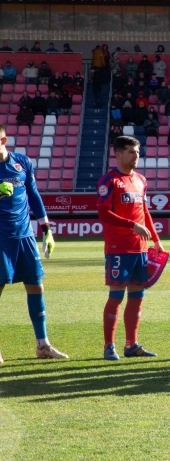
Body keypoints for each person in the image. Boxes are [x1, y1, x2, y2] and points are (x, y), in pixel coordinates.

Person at [0, 123, 67, 363]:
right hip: (1, 237)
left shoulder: (22, 162)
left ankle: (43, 345)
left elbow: (34, 196)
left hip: (25, 235)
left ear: (4, 140)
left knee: (36, 287)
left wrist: (47, 230)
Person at [96, 136, 165, 361]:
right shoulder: (109, 181)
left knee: (137, 296)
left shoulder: (141, 180)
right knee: (116, 296)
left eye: (137, 152)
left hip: (141, 249)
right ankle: (109, 346)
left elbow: (145, 213)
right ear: (118, 154)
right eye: (131, 152)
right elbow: (104, 213)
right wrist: (132, 225)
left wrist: (156, 239)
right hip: (119, 248)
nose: (136, 156)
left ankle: (132, 345)